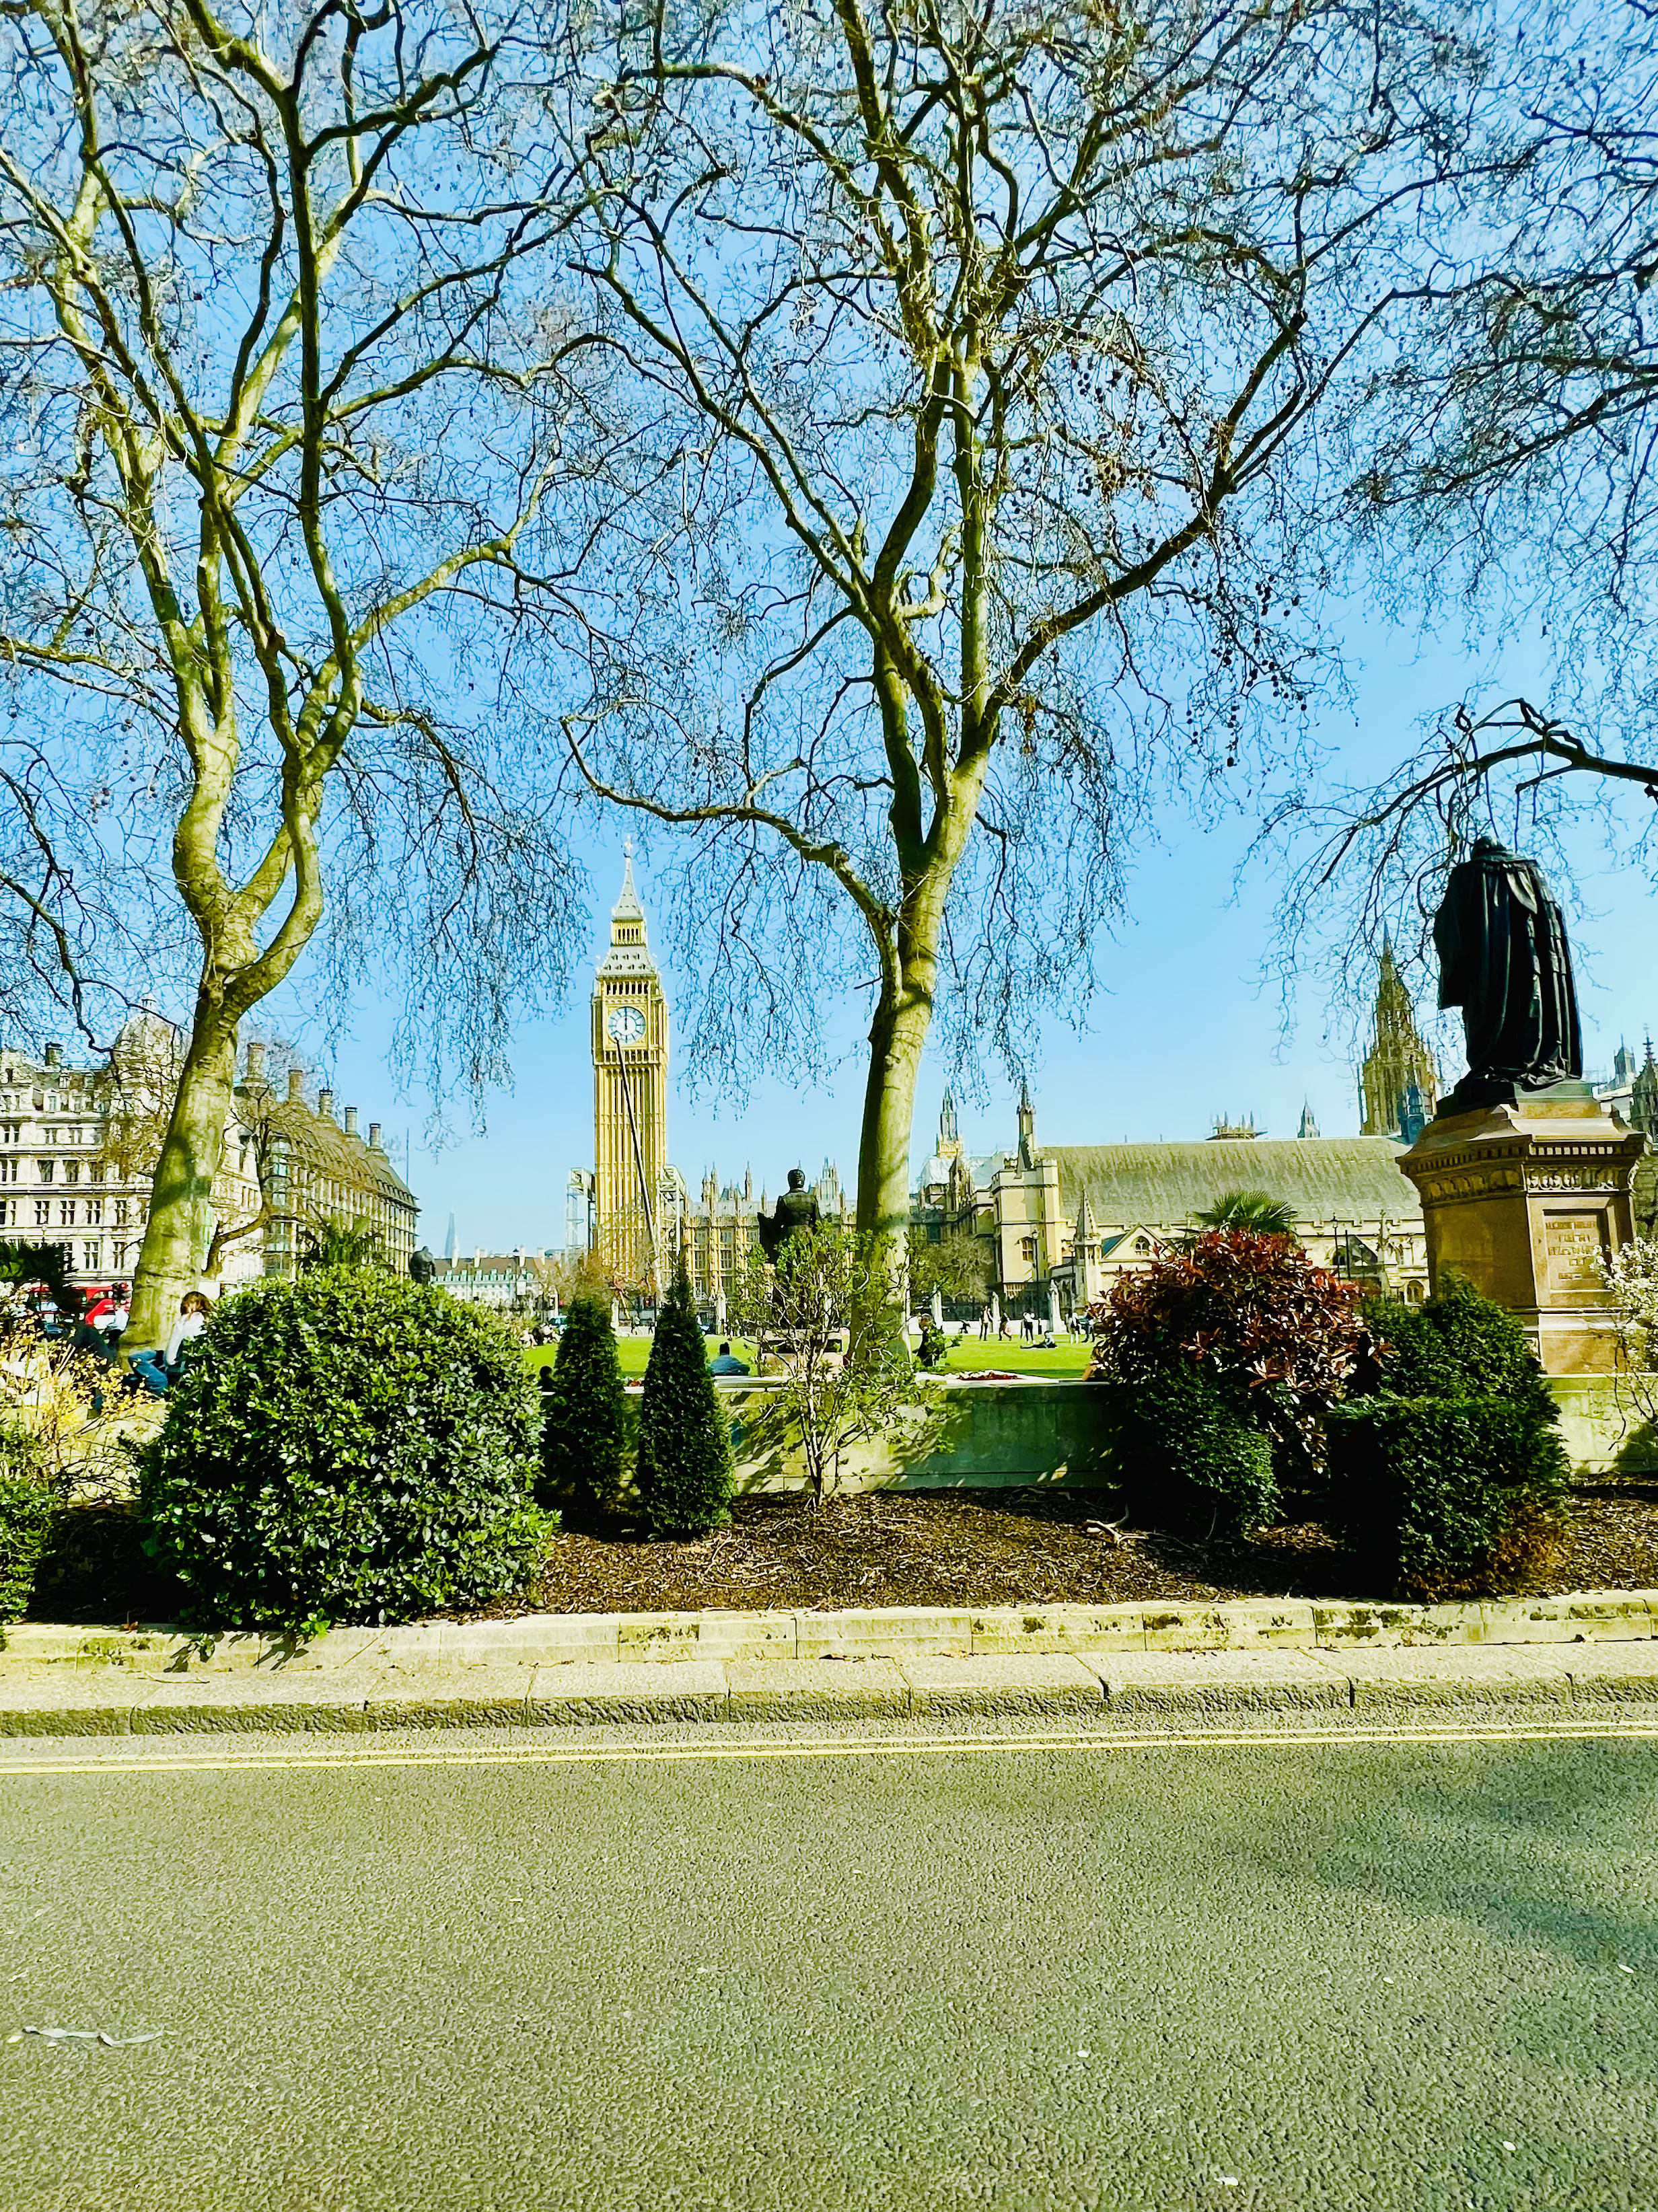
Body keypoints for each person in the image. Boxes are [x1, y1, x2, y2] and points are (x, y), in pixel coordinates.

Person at [128, 1290, 213, 1397]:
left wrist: (165, 1358)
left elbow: (171, 1355)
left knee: (138, 1359)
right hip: (184, 1368)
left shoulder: (189, 1320)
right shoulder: (205, 1320)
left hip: (176, 1370)